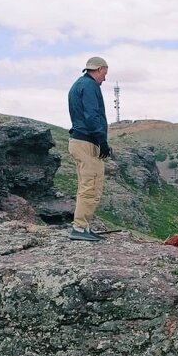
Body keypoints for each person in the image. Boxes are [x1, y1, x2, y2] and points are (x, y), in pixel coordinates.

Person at [67, 56, 111, 241]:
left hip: (79, 141)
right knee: (91, 186)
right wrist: (102, 141)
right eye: (105, 74)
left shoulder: (78, 85)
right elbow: (92, 116)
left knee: (87, 185)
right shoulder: (90, 86)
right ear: (99, 69)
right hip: (87, 142)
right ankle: (79, 228)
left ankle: (83, 227)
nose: (105, 79)